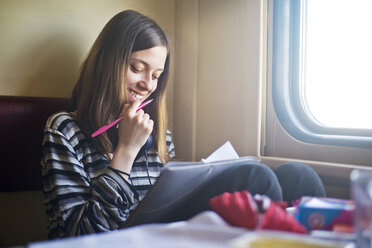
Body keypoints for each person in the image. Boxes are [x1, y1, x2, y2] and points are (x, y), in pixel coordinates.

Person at [41, 9, 325, 240]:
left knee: (299, 176)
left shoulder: (157, 131)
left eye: (156, 75)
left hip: (165, 228)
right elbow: (77, 236)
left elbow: (166, 202)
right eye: (137, 68)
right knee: (254, 179)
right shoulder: (65, 129)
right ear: (108, 63)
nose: (147, 84)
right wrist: (126, 152)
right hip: (130, 239)